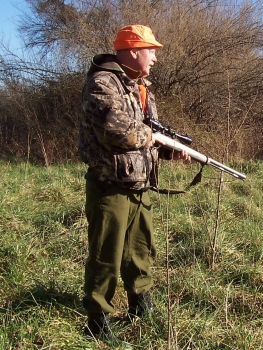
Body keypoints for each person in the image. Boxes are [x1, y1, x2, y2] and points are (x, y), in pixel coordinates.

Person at [78, 24, 189, 345]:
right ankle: (97, 321)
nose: (154, 57)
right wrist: (154, 137)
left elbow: (146, 136)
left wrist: (170, 149)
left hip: (141, 183)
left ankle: (140, 304)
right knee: (106, 254)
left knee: (140, 250)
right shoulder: (102, 84)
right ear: (133, 50)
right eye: (151, 50)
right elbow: (116, 130)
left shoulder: (141, 88)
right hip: (110, 185)